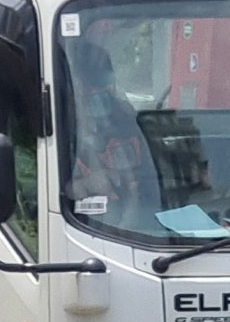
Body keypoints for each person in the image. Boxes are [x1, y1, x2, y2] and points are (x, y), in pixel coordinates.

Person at [66, 43, 160, 219]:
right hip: (86, 226)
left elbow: (148, 180)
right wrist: (85, 185)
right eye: (90, 89)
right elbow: (46, 194)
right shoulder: (60, 130)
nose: (100, 95)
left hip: (138, 223)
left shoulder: (127, 122)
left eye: (105, 86)